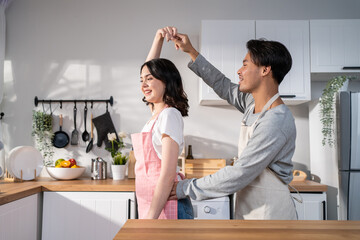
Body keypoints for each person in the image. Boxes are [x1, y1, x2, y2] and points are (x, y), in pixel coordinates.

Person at [167, 27, 298, 220]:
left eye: (245, 64)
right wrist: (190, 51)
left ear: (265, 69)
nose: (239, 71)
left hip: (271, 216)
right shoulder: (252, 104)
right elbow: (222, 85)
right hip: (251, 209)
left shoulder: (276, 120)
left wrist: (185, 187)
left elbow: (239, 173)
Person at [131, 27, 193, 219]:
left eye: (149, 79)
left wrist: (150, 218)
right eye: (142, 80)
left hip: (167, 207)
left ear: (166, 81)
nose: (143, 84)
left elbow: (167, 175)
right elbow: (150, 66)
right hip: (154, 204)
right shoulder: (154, 115)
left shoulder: (169, 115)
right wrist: (158, 37)